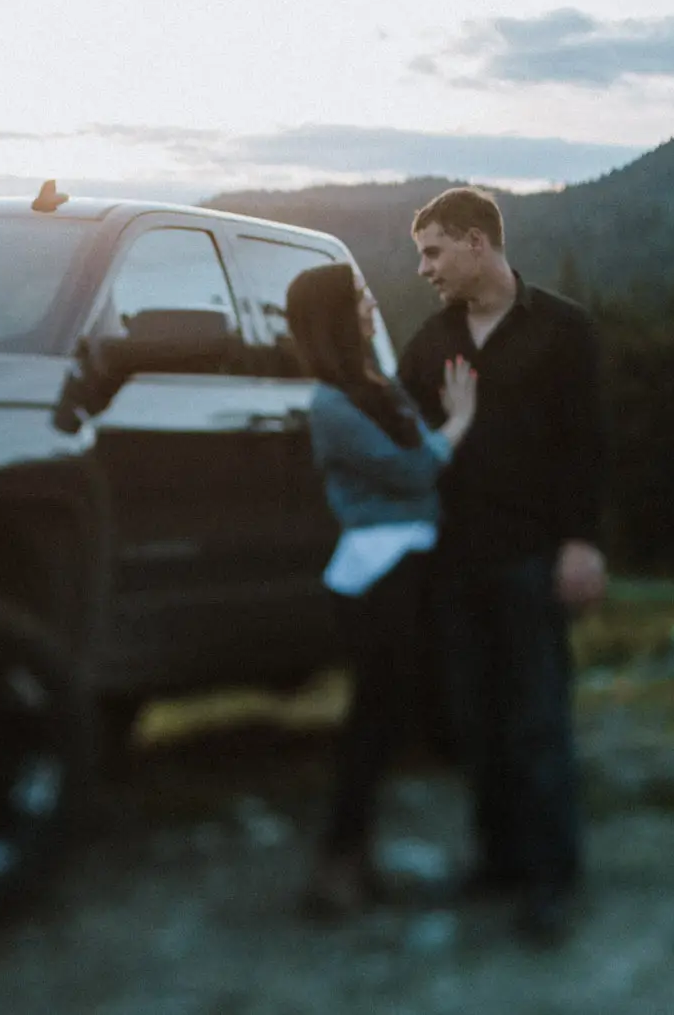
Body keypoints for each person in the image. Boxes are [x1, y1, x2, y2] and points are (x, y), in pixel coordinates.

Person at [396, 186, 607, 946]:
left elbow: (585, 446)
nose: (424, 268)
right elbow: (407, 450)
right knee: (475, 723)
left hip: (531, 559)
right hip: (454, 565)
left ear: (478, 242)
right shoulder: (429, 343)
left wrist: (581, 542)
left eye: (433, 251)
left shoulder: (562, 331)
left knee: (538, 721)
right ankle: (499, 861)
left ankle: (553, 876)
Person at [284, 262, 477, 917]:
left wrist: (441, 435)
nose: (372, 306)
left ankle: (354, 860)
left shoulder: (377, 386)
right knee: (375, 720)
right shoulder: (331, 405)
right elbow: (415, 467)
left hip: (412, 565)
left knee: (395, 718)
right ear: (338, 316)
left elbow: (422, 459)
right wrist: (459, 423)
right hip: (374, 575)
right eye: (361, 299)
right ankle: (336, 864)